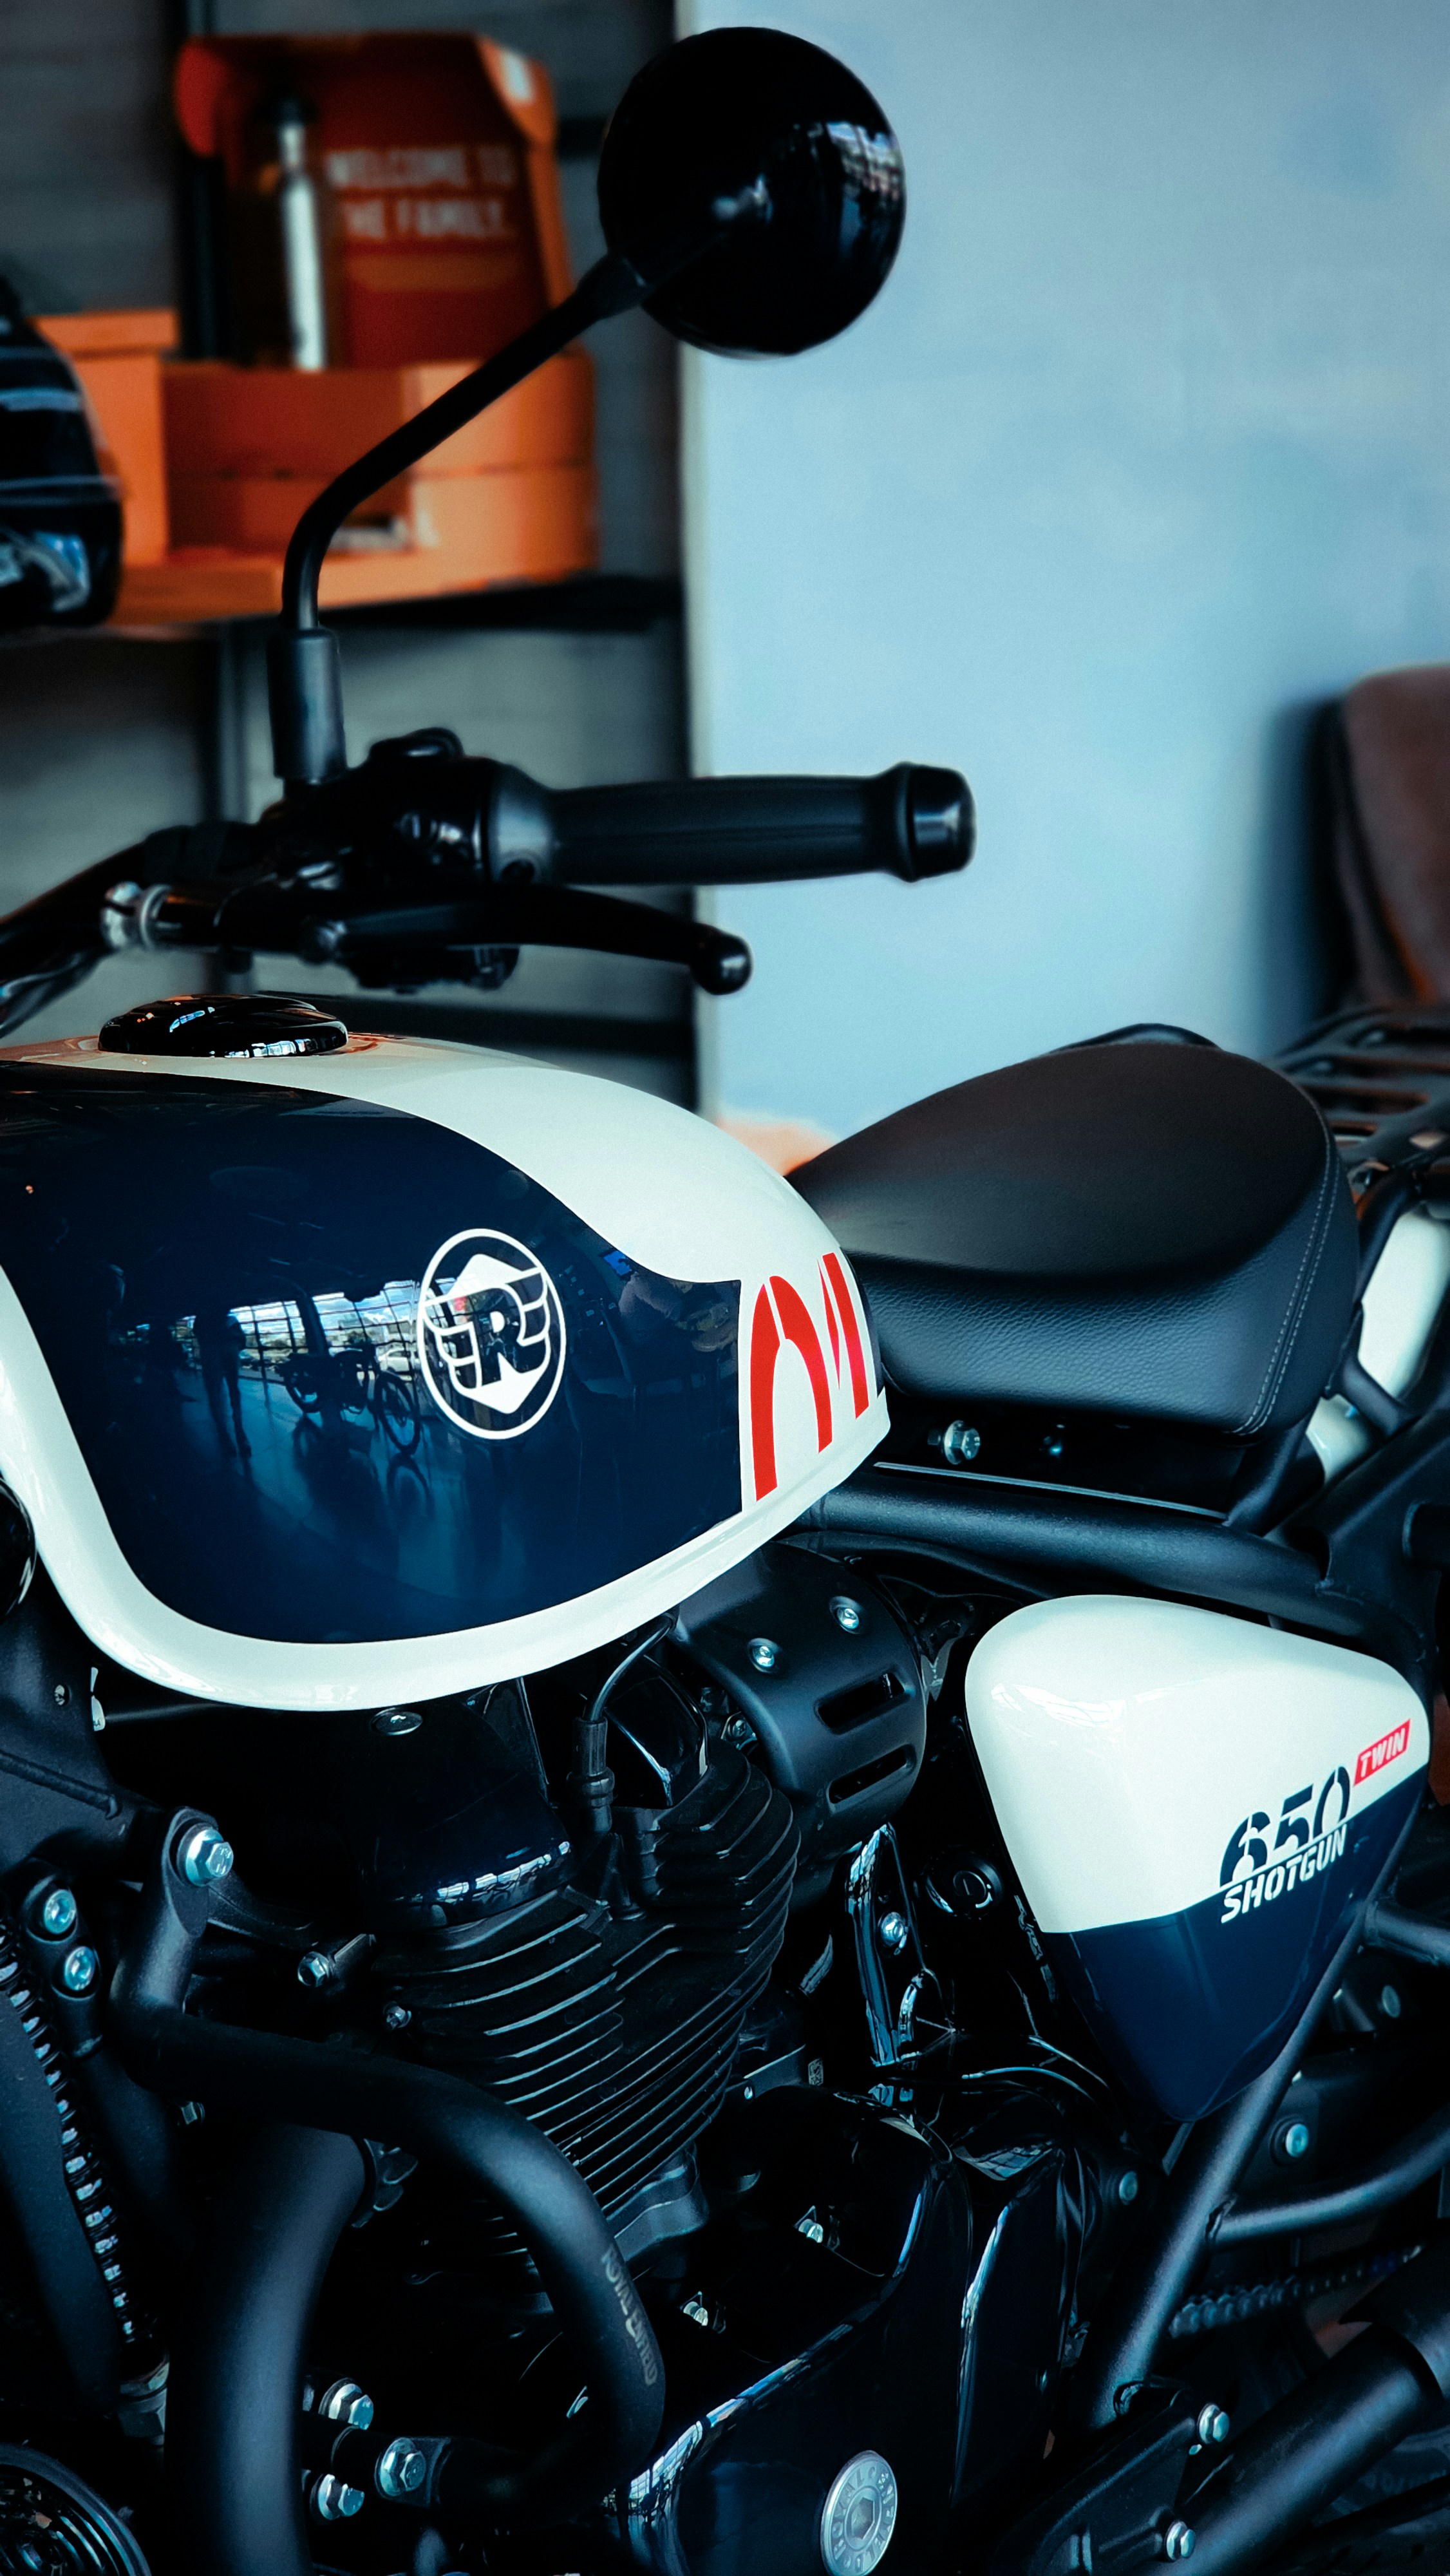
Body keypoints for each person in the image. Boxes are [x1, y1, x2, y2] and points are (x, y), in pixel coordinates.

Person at [194, 1305, 251, 1458]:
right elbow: (242, 1340)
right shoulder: (231, 1319)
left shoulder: (202, 1317)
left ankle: (224, 1435)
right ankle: (240, 1434)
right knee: (234, 1391)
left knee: (215, 1393)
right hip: (230, 1352)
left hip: (212, 1354)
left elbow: (199, 1335)